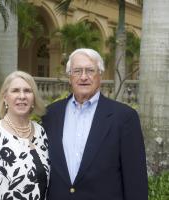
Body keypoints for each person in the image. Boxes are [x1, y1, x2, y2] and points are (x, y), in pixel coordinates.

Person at [42, 48, 148, 200]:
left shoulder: (124, 117)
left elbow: (135, 179)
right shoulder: (50, 114)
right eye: (77, 71)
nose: (83, 77)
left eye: (90, 70)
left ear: (100, 75)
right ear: (69, 76)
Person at [0, 71, 50, 200]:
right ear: (5, 97)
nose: (22, 96)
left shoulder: (41, 132)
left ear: (33, 97)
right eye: (15, 90)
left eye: (27, 91)